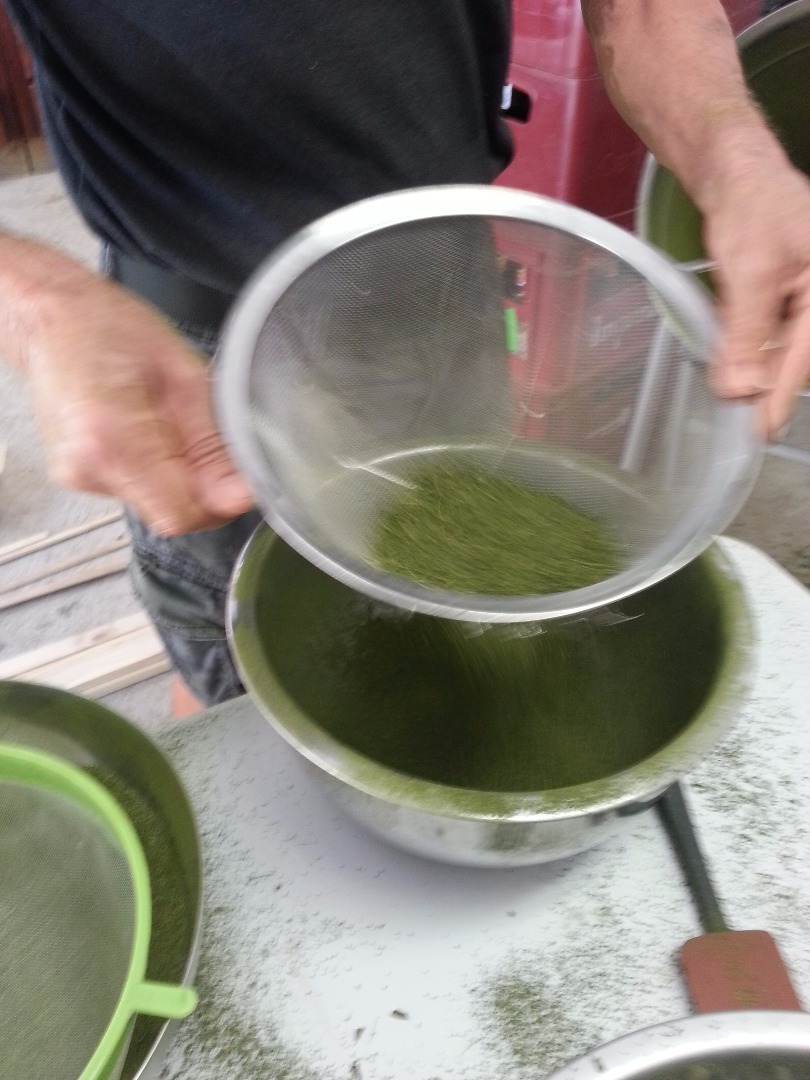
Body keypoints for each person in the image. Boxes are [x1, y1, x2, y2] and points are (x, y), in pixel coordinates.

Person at [0, 0, 808, 710]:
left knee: (459, 591)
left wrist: (733, 153)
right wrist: (36, 307)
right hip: (195, 345)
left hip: (437, 276)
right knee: (234, 644)